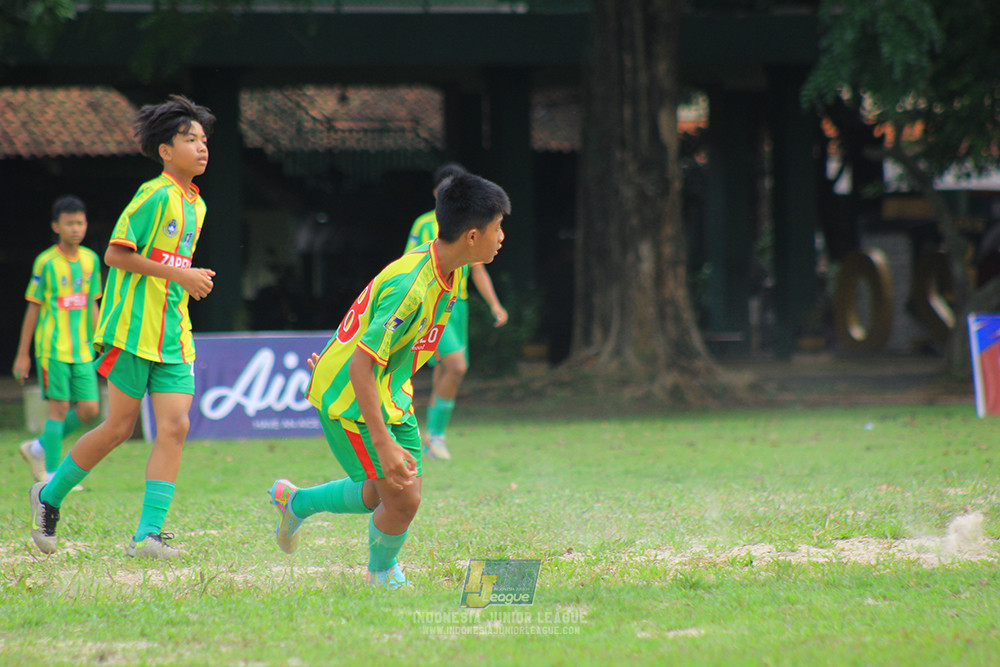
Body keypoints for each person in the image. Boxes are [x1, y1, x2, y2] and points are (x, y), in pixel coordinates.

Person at [269, 172, 510, 588]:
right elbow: (361, 365)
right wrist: (383, 441)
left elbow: (369, 324)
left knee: (378, 494)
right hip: (354, 400)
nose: (502, 236)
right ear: (472, 235)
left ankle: (296, 502)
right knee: (404, 498)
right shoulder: (412, 285)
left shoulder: (449, 271)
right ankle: (381, 573)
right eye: (498, 227)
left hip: (392, 393)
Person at [29, 94, 217, 560]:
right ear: (165, 151)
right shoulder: (153, 195)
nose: (202, 147)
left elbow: (169, 266)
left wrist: (183, 283)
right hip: (132, 329)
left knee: (175, 426)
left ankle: (147, 536)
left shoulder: (197, 205)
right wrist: (183, 275)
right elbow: (116, 254)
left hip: (173, 334)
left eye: (204, 140)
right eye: (190, 139)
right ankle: (48, 496)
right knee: (117, 427)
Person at [404, 163, 508, 460]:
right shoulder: (424, 223)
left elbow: (478, 270)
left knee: (446, 369)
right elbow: (410, 261)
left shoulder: (471, 225)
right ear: (437, 193)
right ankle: (434, 437)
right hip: (434, 304)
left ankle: (433, 438)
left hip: (457, 305)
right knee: (456, 365)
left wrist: (495, 305)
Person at [13, 196, 103, 488]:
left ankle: (39, 446)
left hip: (83, 350)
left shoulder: (91, 260)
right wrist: (22, 353)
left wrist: (99, 340)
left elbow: (92, 304)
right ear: (57, 226)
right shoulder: (46, 262)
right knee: (59, 408)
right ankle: (52, 475)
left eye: (80, 222)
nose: (76, 228)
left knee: (90, 409)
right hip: (52, 349)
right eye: (69, 223)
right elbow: (34, 306)